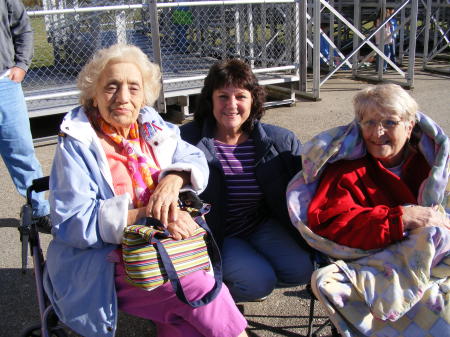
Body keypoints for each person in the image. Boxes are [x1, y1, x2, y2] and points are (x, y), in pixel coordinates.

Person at [43, 44, 248, 337]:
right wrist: (149, 214)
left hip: (163, 246)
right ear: (94, 93)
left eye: (133, 88)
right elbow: (72, 223)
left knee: (185, 323)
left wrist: (173, 179)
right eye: (112, 87)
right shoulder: (77, 143)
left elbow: (194, 158)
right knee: (198, 286)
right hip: (105, 260)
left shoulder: (150, 126)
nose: (123, 98)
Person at [287, 83, 450, 336]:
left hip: (432, 260)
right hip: (371, 260)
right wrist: (400, 218)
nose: (378, 132)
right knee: (326, 283)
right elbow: (331, 224)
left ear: (409, 127)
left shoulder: (430, 165)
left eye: (390, 122)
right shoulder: (347, 170)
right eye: (369, 123)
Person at [180, 59, 313, 302]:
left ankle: (241, 274)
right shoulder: (186, 140)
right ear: (210, 100)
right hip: (217, 233)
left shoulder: (279, 141)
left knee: (302, 269)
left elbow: (309, 185)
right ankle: (220, 299)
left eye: (240, 96)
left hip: (257, 224)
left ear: (253, 100)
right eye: (223, 96)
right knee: (259, 283)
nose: (232, 105)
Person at [0, 0, 50, 229]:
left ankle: (40, 211)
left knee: (20, 150)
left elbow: (23, 27)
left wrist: (21, 64)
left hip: (4, 85)